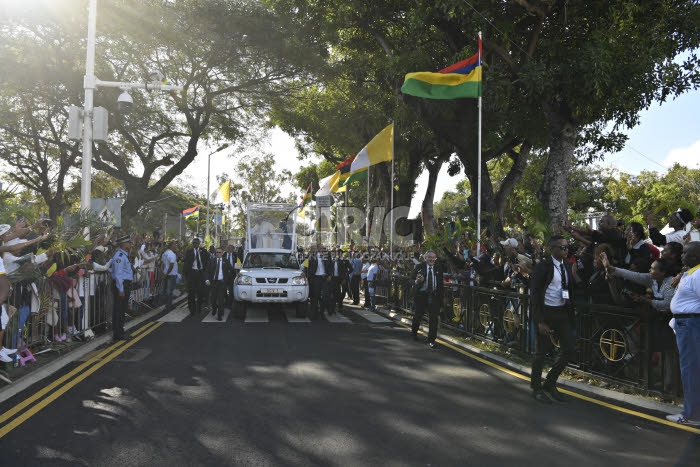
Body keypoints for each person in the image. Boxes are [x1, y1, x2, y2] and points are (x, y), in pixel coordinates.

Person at [529, 235, 577, 403]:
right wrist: (540, 321)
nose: (566, 250)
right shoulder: (543, 266)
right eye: (562, 247)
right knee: (540, 353)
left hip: (562, 312)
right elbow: (534, 295)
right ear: (552, 249)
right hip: (545, 313)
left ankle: (550, 382)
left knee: (569, 349)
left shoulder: (567, 266)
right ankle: (536, 387)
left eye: (567, 247)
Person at [665, 241, 700, 426]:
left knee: (690, 370)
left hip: (691, 324)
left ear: (696, 256)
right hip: (685, 324)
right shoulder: (691, 272)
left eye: (687, 253)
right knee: (690, 369)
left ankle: (692, 415)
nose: (682, 255)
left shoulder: (699, 275)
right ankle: (692, 410)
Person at [410, 250, 443, 349]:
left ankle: (431, 339)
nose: (431, 259)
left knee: (434, 318)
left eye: (433, 257)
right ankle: (414, 333)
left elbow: (440, 283)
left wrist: (441, 297)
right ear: (425, 258)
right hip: (421, 295)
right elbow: (411, 279)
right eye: (429, 257)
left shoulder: (438, 268)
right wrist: (417, 281)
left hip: (434, 295)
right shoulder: (419, 267)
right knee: (418, 315)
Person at [109, 235, 134, 341]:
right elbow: (118, 274)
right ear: (123, 244)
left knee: (121, 310)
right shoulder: (119, 256)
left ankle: (119, 332)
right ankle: (119, 334)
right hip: (122, 285)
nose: (130, 244)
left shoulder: (123, 255)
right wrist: (121, 289)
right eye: (129, 242)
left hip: (124, 284)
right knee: (119, 310)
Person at [205, 247, 235, 321]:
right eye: (217, 252)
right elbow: (206, 271)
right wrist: (207, 279)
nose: (218, 254)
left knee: (221, 299)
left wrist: (227, 279)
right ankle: (214, 309)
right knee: (213, 299)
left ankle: (219, 315)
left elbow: (232, 270)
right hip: (213, 282)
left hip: (222, 282)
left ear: (222, 253)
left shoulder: (226, 261)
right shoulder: (211, 261)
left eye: (220, 252)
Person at [183, 237, 209, 314]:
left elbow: (208, 260)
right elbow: (186, 263)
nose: (195, 244)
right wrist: (184, 275)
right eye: (193, 243)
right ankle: (192, 309)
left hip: (200, 273)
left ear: (198, 244)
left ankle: (199, 307)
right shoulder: (189, 251)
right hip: (192, 273)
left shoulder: (203, 251)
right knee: (191, 292)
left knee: (200, 292)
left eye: (196, 243)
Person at [161, 240, 178, 311]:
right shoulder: (172, 254)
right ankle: (169, 305)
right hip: (171, 274)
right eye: (175, 245)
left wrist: (163, 273)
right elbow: (171, 265)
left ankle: (167, 304)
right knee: (170, 291)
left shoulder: (164, 253)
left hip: (166, 274)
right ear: (172, 246)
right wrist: (167, 273)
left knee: (166, 290)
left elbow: (162, 264)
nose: (176, 246)